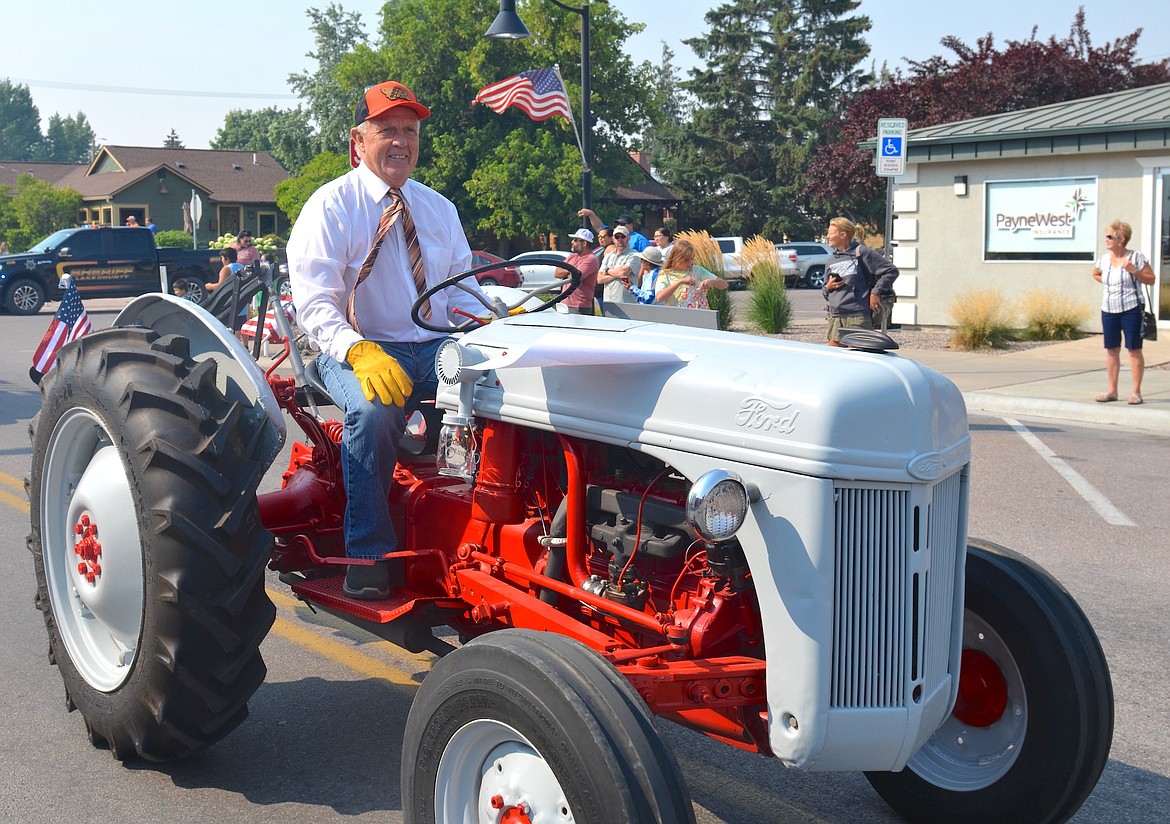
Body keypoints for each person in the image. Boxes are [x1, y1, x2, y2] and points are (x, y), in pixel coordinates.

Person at [286, 79, 486, 600]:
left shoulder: (439, 209)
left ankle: (482, 534)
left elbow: (462, 294)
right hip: (355, 348)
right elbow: (314, 306)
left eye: (410, 130)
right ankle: (367, 554)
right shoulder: (331, 207)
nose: (401, 141)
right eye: (388, 130)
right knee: (375, 414)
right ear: (359, 140)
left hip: (437, 348)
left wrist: (495, 324)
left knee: (506, 398)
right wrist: (358, 348)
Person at [1092, 219, 1156, 405]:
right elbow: (1095, 273)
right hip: (1108, 309)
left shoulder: (1136, 257)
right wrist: (1106, 281)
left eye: (1110, 236)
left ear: (1122, 239)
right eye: (1106, 236)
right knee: (1111, 349)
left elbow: (1151, 280)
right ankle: (1112, 390)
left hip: (1131, 309)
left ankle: (1136, 392)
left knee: (1134, 349)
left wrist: (1134, 271)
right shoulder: (1104, 260)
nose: (1107, 239)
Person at [822, 217, 898, 346]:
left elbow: (891, 271)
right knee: (834, 359)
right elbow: (824, 291)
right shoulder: (831, 260)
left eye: (830, 233)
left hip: (857, 316)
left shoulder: (861, 252)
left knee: (858, 358)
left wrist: (876, 292)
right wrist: (828, 286)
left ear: (843, 235)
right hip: (835, 316)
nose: (827, 236)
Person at [654, 238, 728, 308]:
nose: (690, 263)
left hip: (697, 316)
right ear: (676, 258)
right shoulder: (666, 274)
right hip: (675, 316)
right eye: (686, 260)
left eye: (692, 258)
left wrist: (712, 282)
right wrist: (680, 282)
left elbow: (724, 284)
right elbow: (659, 297)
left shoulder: (697, 270)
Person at [555, 227, 600, 315]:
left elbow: (576, 276)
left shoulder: (591, 259)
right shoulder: (572, 256)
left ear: (584, 243)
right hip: (564, 304)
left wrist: (570, 270)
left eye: (575, 240)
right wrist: (572, 268)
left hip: (579, 307)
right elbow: (557, 273)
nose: (572, 242)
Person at [597, 224, 639, 307]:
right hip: (608, 302)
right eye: (617, 237)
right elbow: (599, 279)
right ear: (613, 239)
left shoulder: (634, 255)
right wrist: (618, 274)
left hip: (626, 303)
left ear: (628, 238)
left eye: (622, 237)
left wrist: (607, 270)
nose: (620, 239)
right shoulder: (608, 256)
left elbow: (623, 273)